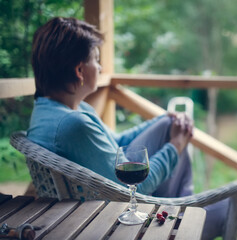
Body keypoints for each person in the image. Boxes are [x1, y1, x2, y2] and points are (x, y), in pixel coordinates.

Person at [27, 17, 226, 239]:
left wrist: (164, 119)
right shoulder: (72, 125)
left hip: (96, 208)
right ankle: (183, 221)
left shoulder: (55, 110)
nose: (101, 67)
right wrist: (176, 144)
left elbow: (118, 144)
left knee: (169, 124)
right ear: (80, 71)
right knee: (227, 205)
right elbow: (133, 189)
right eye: (96, 60)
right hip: (112, 216)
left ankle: (182, 210)